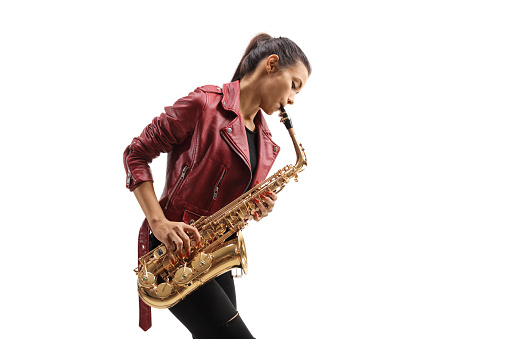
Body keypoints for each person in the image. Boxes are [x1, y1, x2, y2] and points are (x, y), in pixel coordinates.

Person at [123, 33, 311, 339]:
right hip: (174, 248)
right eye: (294, 86)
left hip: (214, 252)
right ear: (272, 65)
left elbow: (230, 200)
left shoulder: (266, 143)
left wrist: (257, 206)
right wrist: (159, 223)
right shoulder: (203, 103)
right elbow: (136, 154)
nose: (291, 100)